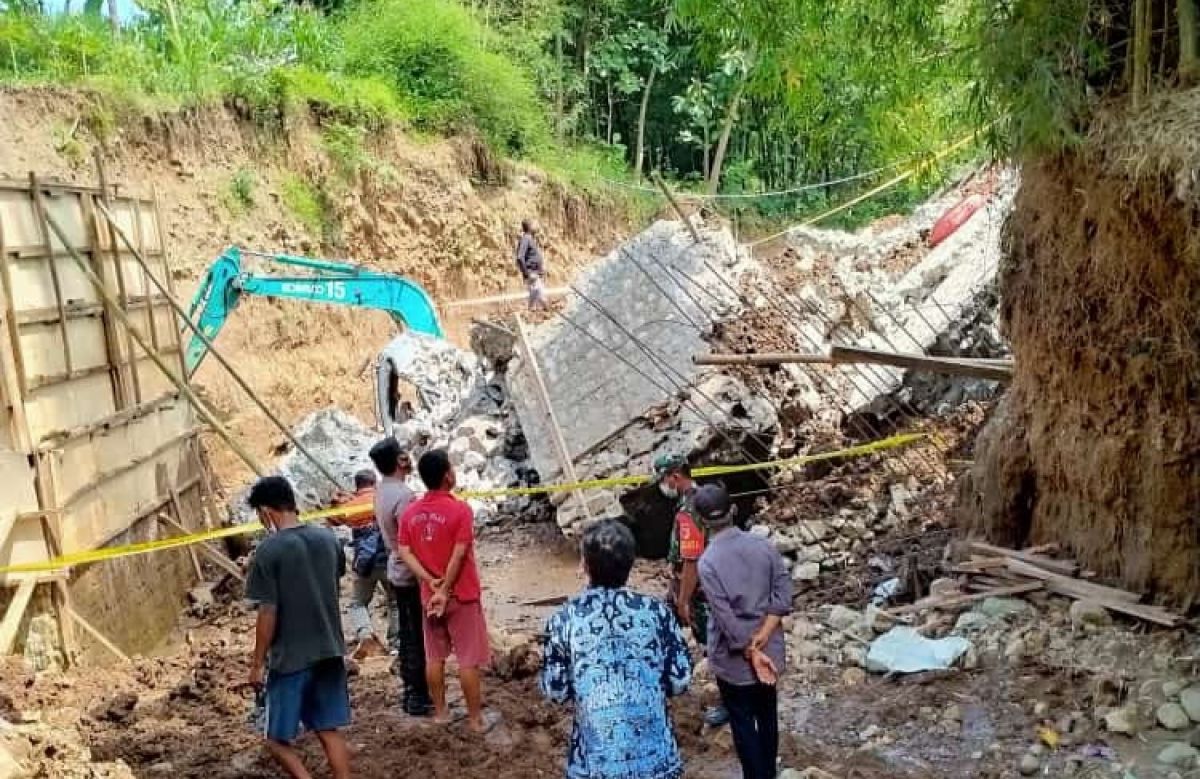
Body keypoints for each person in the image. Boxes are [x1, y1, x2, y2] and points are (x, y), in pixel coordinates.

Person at [541, 519, 692, 779]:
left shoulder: (564, 620)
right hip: (656, 764)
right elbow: (680, 681)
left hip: (594, 765)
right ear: (631, 564)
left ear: (585, 566)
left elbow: (556, 691)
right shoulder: (657, 613)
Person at [245, 476, 351, 779]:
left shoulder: (269, 551)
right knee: (327, 730)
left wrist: (256, 664)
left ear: (266, 512)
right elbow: (332, 582)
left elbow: (268, 612)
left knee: (274, 739)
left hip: (291, 658)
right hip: (330, 649)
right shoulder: (329, 539)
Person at [695, 484, 792, 779]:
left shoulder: (708, 562)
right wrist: (765, 634)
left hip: (734, 661)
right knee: (767, 714)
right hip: (770, 653)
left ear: (701, 520)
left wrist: (750, 649)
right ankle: (769, 772)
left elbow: (725, 619)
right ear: (734, 510)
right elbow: (783, 592)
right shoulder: (763, 546)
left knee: (742, 722)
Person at [397, 448, 493, 732]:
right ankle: (475, 719)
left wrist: (429, 581)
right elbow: (459, 553)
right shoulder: (460, 510)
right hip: (461, 594)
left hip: (430, 596)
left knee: (434, 656)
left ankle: (441, 713)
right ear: (447, 475)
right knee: (468, 659)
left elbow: (404, 551)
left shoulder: (411, 512)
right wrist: (446, 588)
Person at [652, 453, 728, 726]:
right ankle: (664, 684)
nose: (664, 486)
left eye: (664, 479)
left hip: (697, 590)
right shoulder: (703, 500)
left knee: (712, 647)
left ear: (675, 476)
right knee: (660, 627)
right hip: (700, 583)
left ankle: (728, 702)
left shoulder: (689, 510)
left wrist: (683, 599)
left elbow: (692, 560)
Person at [369, 437, 433, 717]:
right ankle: (417, 693)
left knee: (409, 632)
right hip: (410, 570)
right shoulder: (404, 496)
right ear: (399, 461)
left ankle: (412, 690)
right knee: (417, 634)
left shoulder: (382, 490)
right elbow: (414, 538)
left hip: (396, 568)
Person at [333, 470, 396, 654]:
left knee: (358, 603)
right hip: (389, 560)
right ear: (374, 482)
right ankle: (396, 644)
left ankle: (365, 634)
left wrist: (336, 501)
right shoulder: (384, 500)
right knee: (394, 603)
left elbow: (331, 520)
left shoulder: (351, 506)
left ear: (357, 485)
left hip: (365, 563)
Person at [515, 219, 547, 311]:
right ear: (529, 227)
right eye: (534, 224)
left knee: (536, 299)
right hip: (532, 274)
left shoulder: (530, 238)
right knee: (542, 298)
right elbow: (520, 257)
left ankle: (530, 315)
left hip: (535, 274)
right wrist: (527, 274)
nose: (536, 226)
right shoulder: (526, 239)